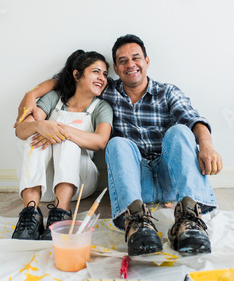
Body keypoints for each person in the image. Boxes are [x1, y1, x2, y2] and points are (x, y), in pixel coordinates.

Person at [14, 34, 223, 256]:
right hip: (135, 182)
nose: (130, 64)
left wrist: (207, 145)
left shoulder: (168, 92)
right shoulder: (106, 90)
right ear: (117, 67)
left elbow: (193, 119)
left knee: (181, 130)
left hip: (169, 177)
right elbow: (67, 78)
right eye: (123, 61)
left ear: (147, 61)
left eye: (136, 58)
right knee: (117, 143)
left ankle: (189, 218)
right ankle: (136, 221)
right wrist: (32, 94)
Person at [13, 50, 113, 241]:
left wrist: (60, 130)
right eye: (96, 72)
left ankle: (61, 213)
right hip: (44, 185)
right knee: (34, 139)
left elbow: (100, 141)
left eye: (105, 74)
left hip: (81, 182)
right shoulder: (53, 98)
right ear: (77, 75)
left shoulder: (101, 107)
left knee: (67, 141)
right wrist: (41, 125)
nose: (102, 78)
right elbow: (20, 130)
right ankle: (30, 214)